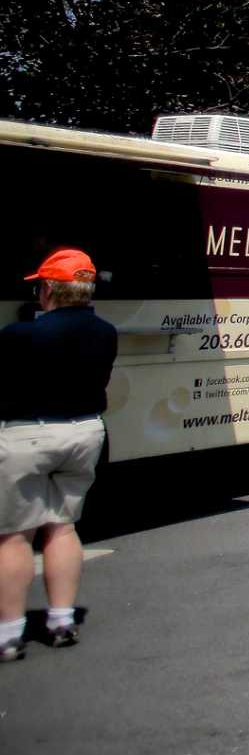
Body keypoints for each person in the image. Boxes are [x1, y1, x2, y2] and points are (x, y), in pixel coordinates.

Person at [0, 248, 117, 661]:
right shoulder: (106, 332)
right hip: (84, 431)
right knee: (63, 526)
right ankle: (62, 619)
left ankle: (10, 633)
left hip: (28, 434)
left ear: (48, 289)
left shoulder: (19, 335)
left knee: (15, 534)